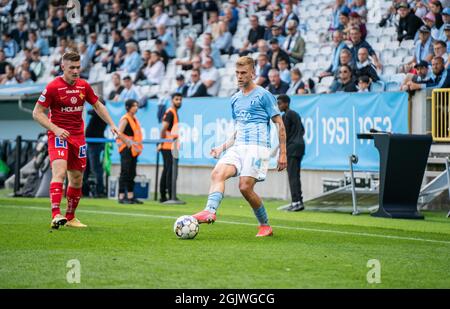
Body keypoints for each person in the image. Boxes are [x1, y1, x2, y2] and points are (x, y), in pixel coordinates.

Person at [191, 56, 287, 237]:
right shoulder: (235, 99)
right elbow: (239, 128)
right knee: (217, 173)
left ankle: (264, 225)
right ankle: (209, 211)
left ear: (253, 73)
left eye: (244, 73)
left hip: (258, 147)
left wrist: (283, 153)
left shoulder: (264, 95)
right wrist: (222, 147)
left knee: (244, 187)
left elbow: (279, 124)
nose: (240, 76)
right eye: (237, 73)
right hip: (239, 146)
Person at [32, 51, 119, 229]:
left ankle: (70, 217)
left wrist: (112, 123)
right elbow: (37, 113)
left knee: (77, 178)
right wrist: (55, 129)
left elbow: (97, 105)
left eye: (78, 67)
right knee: (60, 173)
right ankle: (56, 214)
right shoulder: (53, 87)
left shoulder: (83, 86)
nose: (75, 71)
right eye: (71, 67)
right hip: (58, 135)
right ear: (62, 67)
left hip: (78, 137)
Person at [276, 94, 305, 211]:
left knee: (292, 176)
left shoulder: (286, 116)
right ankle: (299, 201)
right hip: (300, 146)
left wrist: (282, 149)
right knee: (296, 175)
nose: (278, 106)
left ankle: (296, 202)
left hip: (291, 148)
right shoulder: (296, 114)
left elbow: (284, 134)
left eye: (279, 103)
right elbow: (302, 130)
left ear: (286, 103)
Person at [116, 99, 143, 204]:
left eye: (136, 105)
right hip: (126, 149)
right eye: (133, 106)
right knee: (125, 172)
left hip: (133, 149)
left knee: (132, 172)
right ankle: (121, 196)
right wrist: (127, 142)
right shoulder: (125, 119)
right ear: (128, 107)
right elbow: (118, 133)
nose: (136, 107)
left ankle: (131, 196)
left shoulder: (134, 119)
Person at [159, 93, 183, 203]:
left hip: (171, 146)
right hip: (168, 146)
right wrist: (162, 142)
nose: (179, 101)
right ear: (172, 100)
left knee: (167, 171)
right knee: (170, 171)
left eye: (180, 99)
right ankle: (168, 196)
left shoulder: (173, 112)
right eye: (176, 99)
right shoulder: (170, 112)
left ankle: (166, 196)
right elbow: (163, 128)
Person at [83, 98, 107, 198]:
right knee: (86, 168)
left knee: (96, 169)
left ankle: (100, 191)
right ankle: (84, 190)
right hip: (91, 144)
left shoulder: (100, 113)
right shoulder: (99, 113)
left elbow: (90, 111)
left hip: (96, 144)